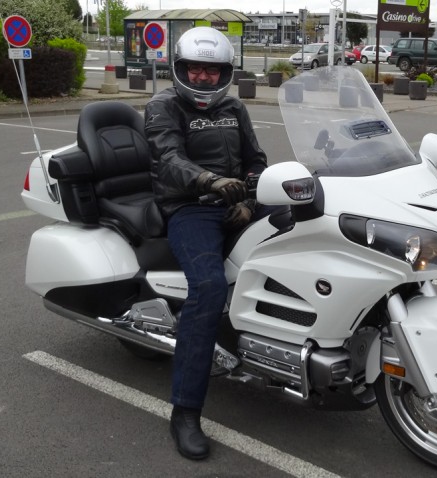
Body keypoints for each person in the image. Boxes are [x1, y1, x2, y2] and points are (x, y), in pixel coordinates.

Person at [143, 26, 271, 460]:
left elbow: (256, 160)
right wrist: (211, 181)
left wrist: (251, 201)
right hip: (190, 208)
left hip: (236, 203)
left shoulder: (234, 106)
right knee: (210, 287)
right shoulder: (162, 105)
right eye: (194, 69)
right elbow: (168, 158)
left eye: (211, 71)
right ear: (179, 69)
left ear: (225, 73)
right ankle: (185, 411)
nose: (201, 78)